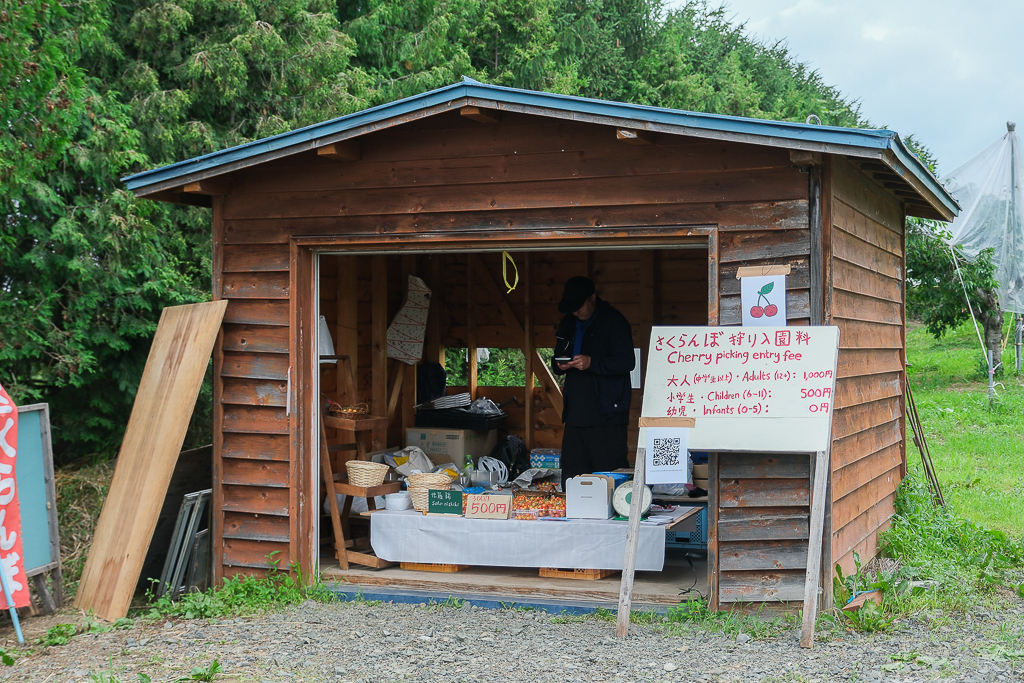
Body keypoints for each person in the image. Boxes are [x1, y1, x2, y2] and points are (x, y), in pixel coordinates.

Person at [551, 276, 635, 485]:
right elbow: (557, 357)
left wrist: (592, 363)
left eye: (579, 306)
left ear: (593, 298)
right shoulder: (569, 323)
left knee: (608, 474)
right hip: (576, 414)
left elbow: (627, 362)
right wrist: (559, 364)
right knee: (573, 475)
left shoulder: (613, 321)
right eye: (572, 308)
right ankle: (573, 516)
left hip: (607, 414)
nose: (576, 311)